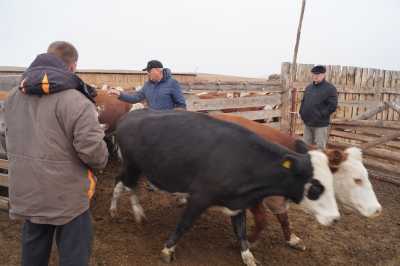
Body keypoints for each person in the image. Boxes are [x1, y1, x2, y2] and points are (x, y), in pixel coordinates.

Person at [4, 41, 108, 266]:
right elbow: (93, 153)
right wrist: (102, 160)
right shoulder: (78, 100)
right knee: (74, 255)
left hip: (28, 192)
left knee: (33, 252)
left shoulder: (13, 97)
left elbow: (6, 139)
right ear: (72, 67)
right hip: (67, 198)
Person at [108, 60, 187, 110]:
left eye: (149, 71)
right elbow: (135, 98)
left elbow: (181, 105)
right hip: (152, 122)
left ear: (158, 70)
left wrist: (173, 117)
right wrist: (119, 94)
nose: (147, 73)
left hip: (167, 123)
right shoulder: (147, 85)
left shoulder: (172, 83)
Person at [299, 65, 338, 149]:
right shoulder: (309, 88)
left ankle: (319, 162)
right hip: (308, 123)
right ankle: (307, 162)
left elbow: (333, 105)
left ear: (324, 75)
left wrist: (320, 114)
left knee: (320, 147)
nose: (315, 76)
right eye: (314, 74)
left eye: (318, 74)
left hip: (320, 125)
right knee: (305, 146)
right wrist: (301, 112)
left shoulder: (330, 88)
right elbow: (303, 101)